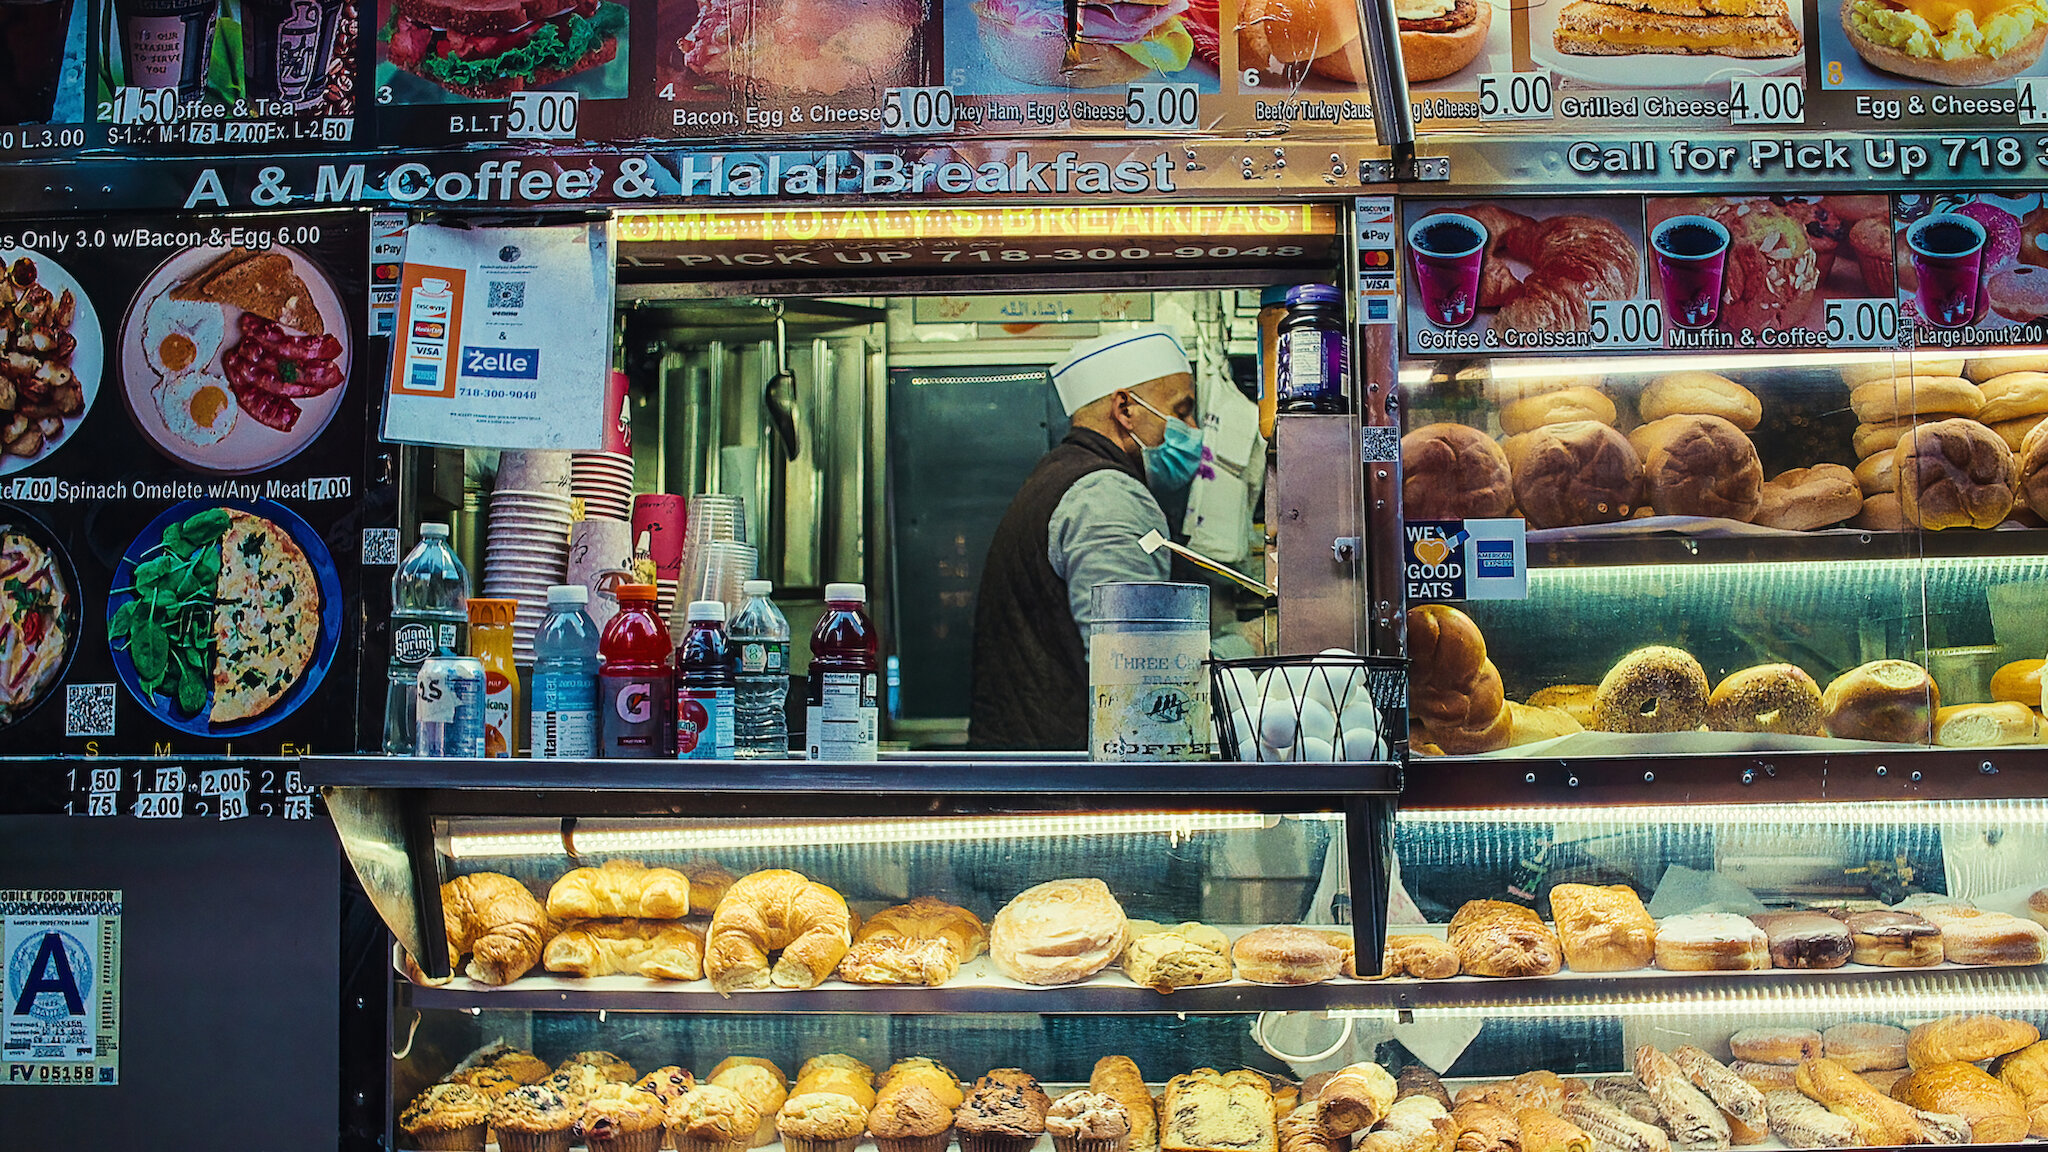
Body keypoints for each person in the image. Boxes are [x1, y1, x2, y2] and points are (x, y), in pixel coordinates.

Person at [968, 326, 1204, 750]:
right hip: (1071, 787)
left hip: (1034, 774)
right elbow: (1137, 677)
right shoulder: (1108, 497)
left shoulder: (1060, 474)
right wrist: (1246, 647)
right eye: (1181, 410)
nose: (1191, 428)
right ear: (1125, 408)